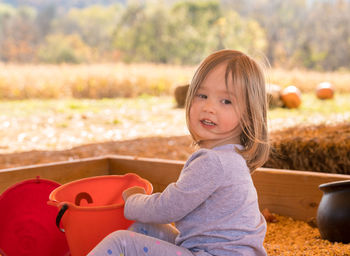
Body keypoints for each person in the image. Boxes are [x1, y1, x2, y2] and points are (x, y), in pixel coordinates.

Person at [88, 49, 270, 256]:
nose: (209, 107)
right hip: (210, 250)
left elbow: (167, 209)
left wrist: (134, 200)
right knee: (142, 228)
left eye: (226, 101)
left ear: (248, 116)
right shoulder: (232, 156)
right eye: (202, 95)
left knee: (121, 242)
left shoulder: (213, 161)